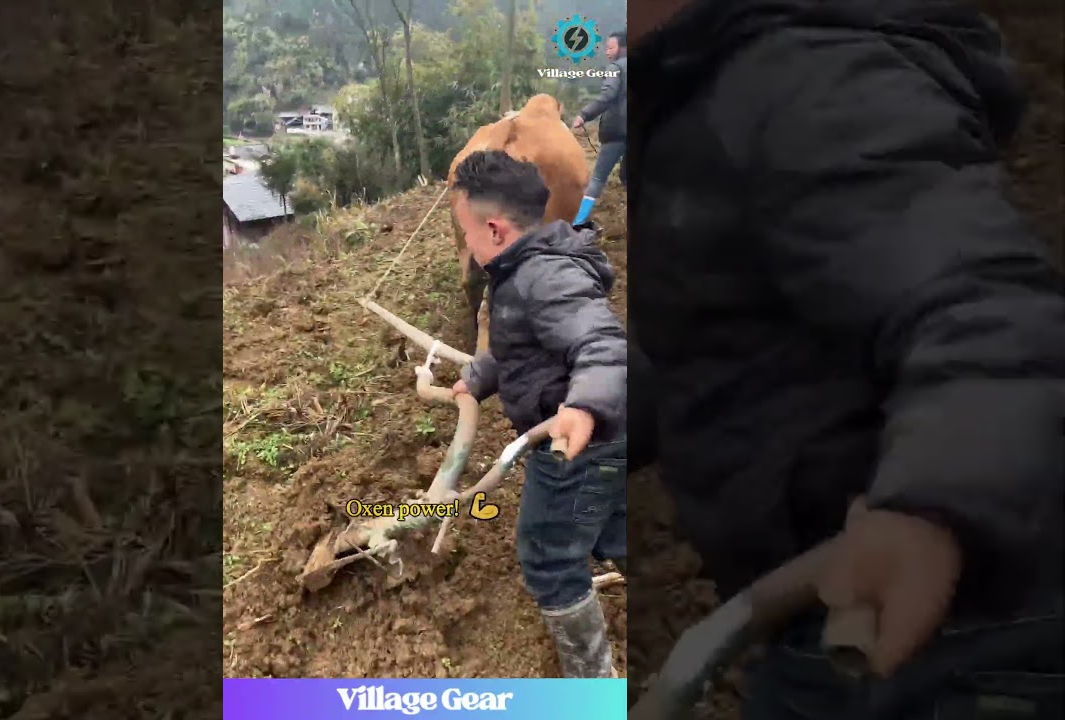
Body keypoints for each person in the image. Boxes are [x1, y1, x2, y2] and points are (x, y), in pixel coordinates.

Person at [627, 0, 1065, 717]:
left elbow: (988, 313)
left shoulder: (806, 86)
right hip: (844, 611)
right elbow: (714, 338)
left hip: (937, 634)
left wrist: (931, 505)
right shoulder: (704, 89)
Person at [448, 149, 627, 678]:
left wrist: (583, 407)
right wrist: (478, 378)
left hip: (574, 444)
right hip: (611, 436)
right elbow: (520, 346)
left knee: (548, 555)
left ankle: (593, 686)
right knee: (611, 528)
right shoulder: (521, 270)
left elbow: (602, 343)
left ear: (495, 230)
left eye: (466, 233)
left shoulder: (543, 278)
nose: (466, 244)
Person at [570, 30, 627, 228]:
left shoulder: (616, 68)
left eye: (610, 47)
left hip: (617, 133)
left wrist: (584, 115)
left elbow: (607, 96)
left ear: (623, 48)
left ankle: (578, 222)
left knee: (597, 178)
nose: (607, 52)